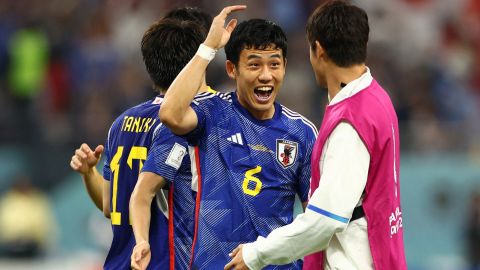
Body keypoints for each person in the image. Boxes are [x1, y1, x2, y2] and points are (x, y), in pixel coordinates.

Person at [225, 1, 407, 269]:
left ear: (318, 50)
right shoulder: (376, 98)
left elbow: (326, 219)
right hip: (381, 253)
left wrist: (256, 254)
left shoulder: (350, 123)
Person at [160, 5, 317, 269]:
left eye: (274, 64)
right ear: (232, 70)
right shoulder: (212, 112)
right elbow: (171, 114)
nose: (266, 75)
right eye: (254, 64)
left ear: (285, 67)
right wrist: (209, 47)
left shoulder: (301, 133)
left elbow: (314, 221)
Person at [69, 7, 212, 270]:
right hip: (161, 262)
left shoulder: (122, 123)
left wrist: (89, 174)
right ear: (195, 65)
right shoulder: (185, 125)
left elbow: (111, 206)